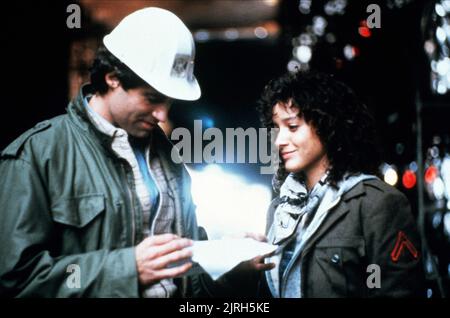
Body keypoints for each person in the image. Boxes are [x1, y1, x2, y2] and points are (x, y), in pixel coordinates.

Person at [0, 7, 211, 298]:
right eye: (151, 98)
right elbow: (16, 280)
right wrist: (126, 270)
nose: (162, 114)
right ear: (112, 77)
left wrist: (229, 267)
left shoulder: (163, 149)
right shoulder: (37, 155)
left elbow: (185, 255)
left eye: (170, 102)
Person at [255, 71, 425, 297]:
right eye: (277, 128)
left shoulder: (375, 204)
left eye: (292, 127)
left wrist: (369, 282)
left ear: (326, 126)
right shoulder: (280, 210)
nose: (279, 141)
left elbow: (389, 288)